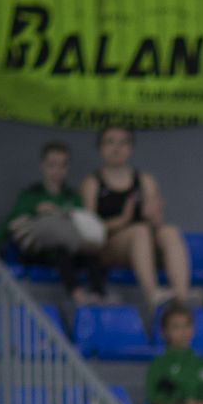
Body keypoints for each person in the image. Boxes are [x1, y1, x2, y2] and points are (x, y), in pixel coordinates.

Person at [80, 127, 191, 305]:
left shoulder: (145, 180)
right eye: (110, 142)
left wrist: (153, 216)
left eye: (122, 143)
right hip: (109, 247)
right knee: (138, 231)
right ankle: (153, 293)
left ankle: (182, 297)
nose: (116, 148)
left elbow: (155, 224)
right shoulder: (92, 183)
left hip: (144, 245)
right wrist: (124, 219)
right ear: (100, 148)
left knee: (169, 231)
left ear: (130, 148)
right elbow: (89, 231)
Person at [0, 141, 104, 302]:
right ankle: (78, 295)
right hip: (39, 253)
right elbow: (8, 224)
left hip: (69, 251)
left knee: (91, 255)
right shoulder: (31, 195)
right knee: (59, 249)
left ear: (67, 168)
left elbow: (83, 225)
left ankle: (100, 296)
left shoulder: (73, 197)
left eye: (62, 165)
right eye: (52, 165)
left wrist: (62, 215)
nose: (56, 170)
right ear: (42, 166)